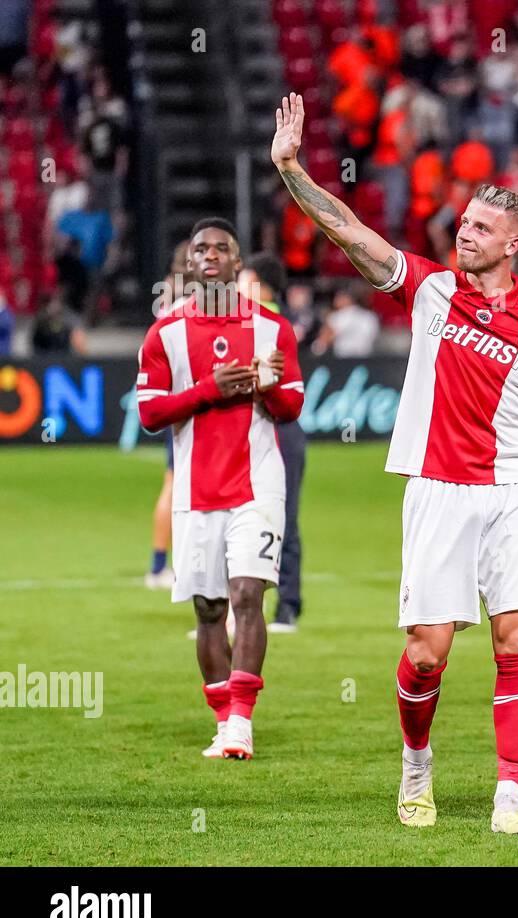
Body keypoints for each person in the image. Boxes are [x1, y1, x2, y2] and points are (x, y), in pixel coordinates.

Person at [273, 93, 518, 836]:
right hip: (440, 488)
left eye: (482, 227)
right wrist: (290, 168)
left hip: (514, 489)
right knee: (427, 653)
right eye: (464, 222)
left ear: (515, 243)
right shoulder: (431, 290)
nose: (464, 233)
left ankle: (509, 797)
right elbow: (348, 231)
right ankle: (417, 764)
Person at [135, 217, 305, 761]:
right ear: (188, 264)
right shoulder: (166, 333)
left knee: (247, 596)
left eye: (221, 248)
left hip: (257, 484)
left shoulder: (273, 328)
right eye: (200, 248)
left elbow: (291, 407)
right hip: (195, 490)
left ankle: (241, 724)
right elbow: (149, 414)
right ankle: (221, 717)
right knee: (208, 609)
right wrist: (210, 390)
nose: (209, 255)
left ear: (238, 264)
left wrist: (266, 385)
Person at [237, 253, 309, 634]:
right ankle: (283, 606)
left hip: (274, 427)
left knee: (274, 517)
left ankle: (279, 607)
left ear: (261, 284)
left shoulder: (262, 321)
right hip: (278, 429)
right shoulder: (283, 319)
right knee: (281, 518)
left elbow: (265, 383)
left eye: (244, 279)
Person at [144, 239, 191, 591]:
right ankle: (166, 564)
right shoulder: (195, 305)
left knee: (174, 482)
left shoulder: (166, 302)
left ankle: (163, 564)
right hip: (190, 402)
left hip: (172, 400)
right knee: (177, 484)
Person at [314, 281, 380, 357]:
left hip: (343, 359)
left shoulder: (337, 316)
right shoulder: (370, 316)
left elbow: (324, 340)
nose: (335, 300)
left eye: (338, 297)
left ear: (348, 299)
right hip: (366, 357)